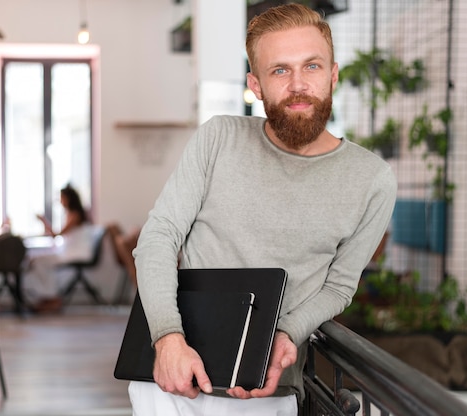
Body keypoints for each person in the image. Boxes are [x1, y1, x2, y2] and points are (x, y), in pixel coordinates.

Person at [130, 4, 398, 416]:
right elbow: (158, 237)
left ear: (333, 74)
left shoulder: (372, 180)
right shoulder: (218, 137)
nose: (297, 85)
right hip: (171, 382)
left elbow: (340, 286)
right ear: (256, 84)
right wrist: (167, 338)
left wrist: (289, 332)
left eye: (311, 66)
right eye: (279, 71)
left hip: (266, 389)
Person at [25, 184, 93, 313]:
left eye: (61, 197)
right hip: (69, 251)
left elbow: (57, 235)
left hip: (76, 253)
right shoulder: (69, 214)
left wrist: (43, 221)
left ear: (68, 198)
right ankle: (47, 296)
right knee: (38, 261)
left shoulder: (75, 215)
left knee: (40, 261)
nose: (60, 201)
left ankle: (52, 298)